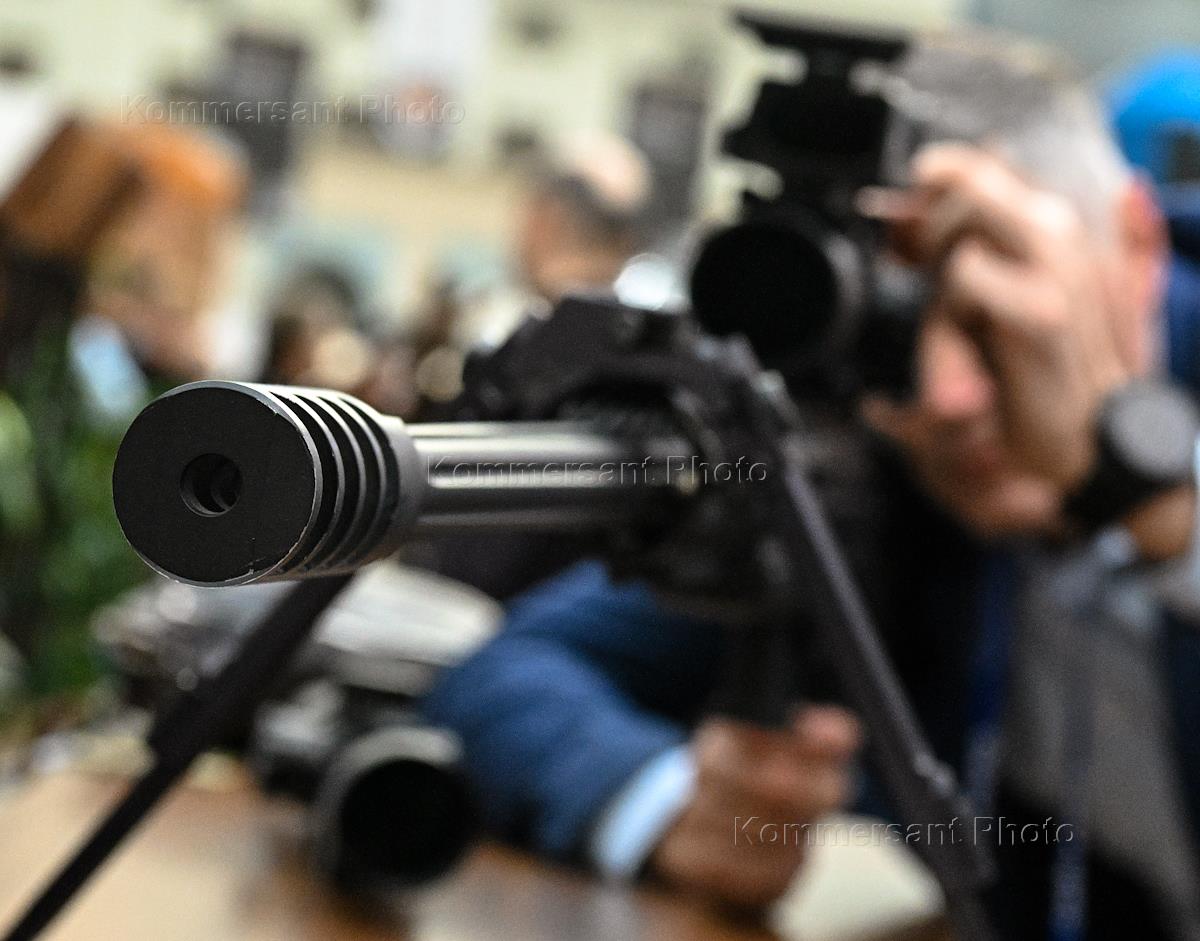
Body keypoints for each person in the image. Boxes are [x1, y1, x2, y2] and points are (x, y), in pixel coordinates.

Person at [423, 32, 1200, 941]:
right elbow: (508, 672)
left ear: (1139, 245)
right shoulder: (874, 480)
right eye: (900, 329)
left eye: (993, 319)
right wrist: (674, 802)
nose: (945, 395)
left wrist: (1157, 506)